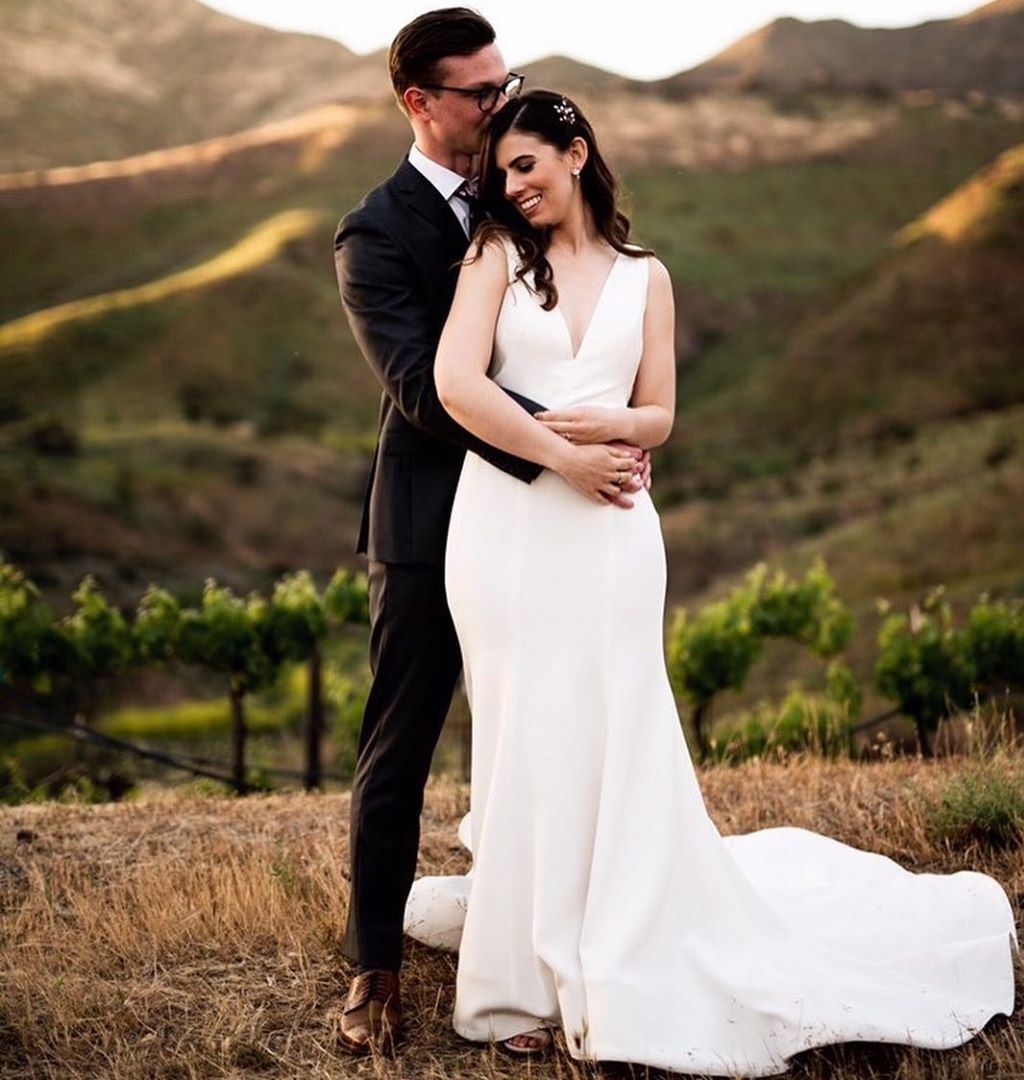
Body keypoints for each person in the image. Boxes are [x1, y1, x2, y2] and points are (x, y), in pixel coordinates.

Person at [401, 87, 1019, 1074]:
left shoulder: (648, 276)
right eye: (498, 173)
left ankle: (624, 940)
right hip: (509, 526)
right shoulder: (491, 259)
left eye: (525, 166)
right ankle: (518, 981)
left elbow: (660, 414)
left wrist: (613, 431)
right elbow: (454, 386)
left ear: (575, 152)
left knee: (615, 723)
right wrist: (564, 457)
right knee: (525, 730)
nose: (510, 188)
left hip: (613, 530)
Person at [331, 8, 650, 1057]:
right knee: (401, 744)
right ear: (419, 103)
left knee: (545, 732)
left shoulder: (530, 191)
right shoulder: (374, 234)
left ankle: (556, 939)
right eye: (479, 91)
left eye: (507, 82)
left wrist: (625, 424)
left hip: (556, 521)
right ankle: (374, 968)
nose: (499, 103)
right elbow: (426, 391)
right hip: (435, 525)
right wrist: (570, 444)